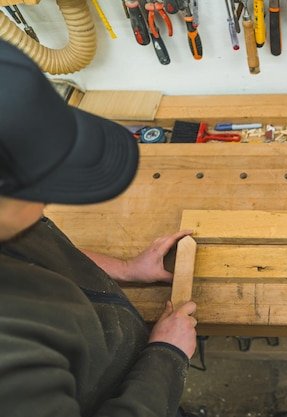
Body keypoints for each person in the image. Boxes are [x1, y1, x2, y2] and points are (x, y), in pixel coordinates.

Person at [0, 40, 198, 417]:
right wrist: (165, 359)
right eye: (44, 188)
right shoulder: (9, 368)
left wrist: (126, 268)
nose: (47, 204)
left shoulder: (10, 227)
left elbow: (34, 250)